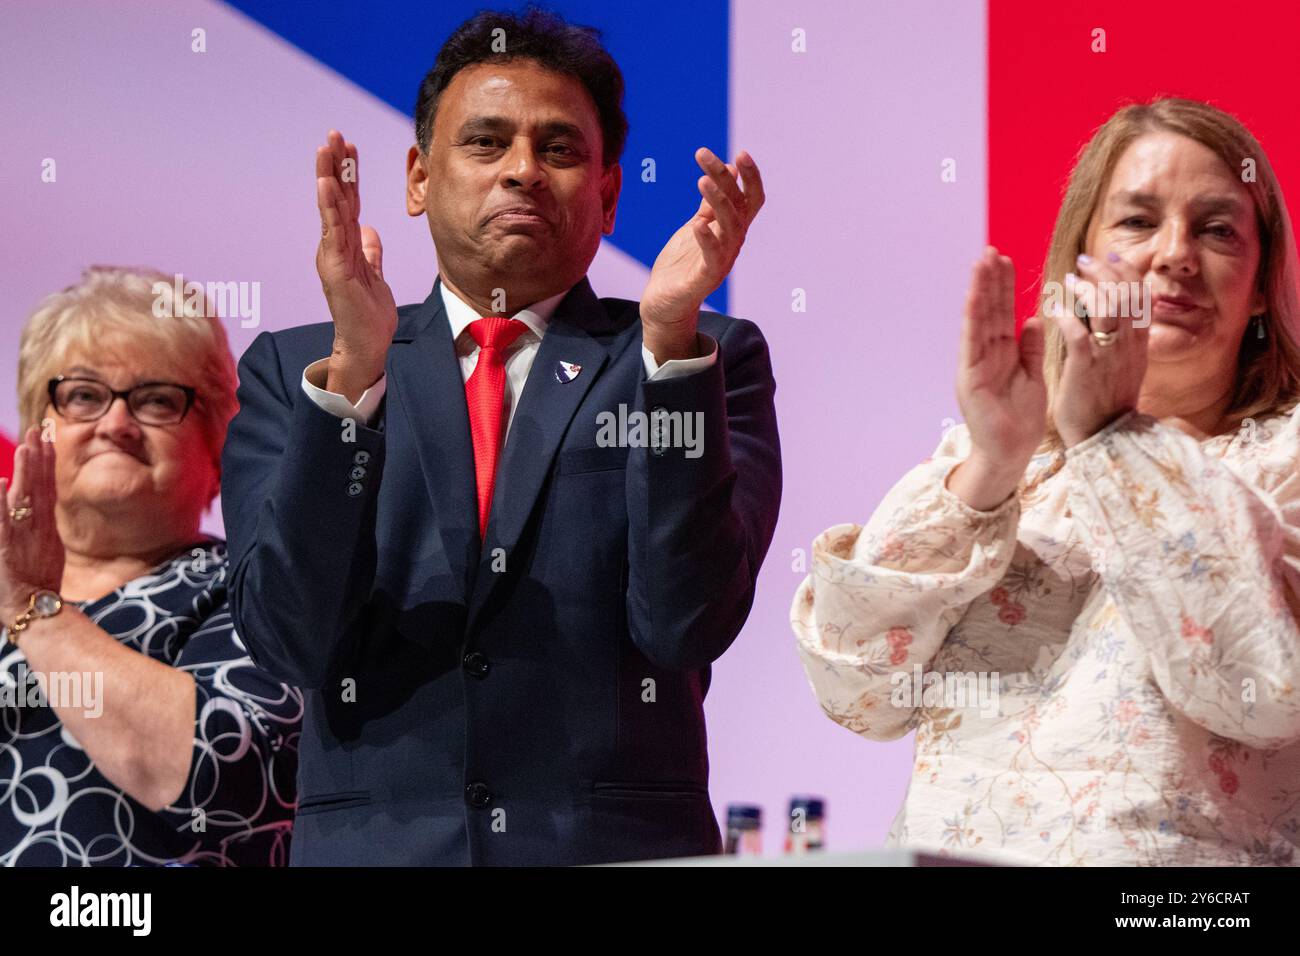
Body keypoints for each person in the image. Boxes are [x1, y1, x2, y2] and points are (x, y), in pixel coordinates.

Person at [222, 7, 780, 865]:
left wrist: (669, 348)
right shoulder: (299, 369)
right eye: (486, 143)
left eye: (559, 149)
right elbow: (289, 638)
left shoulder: (701, 357)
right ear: (417, 178)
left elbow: (684, 626)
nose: (523, 171)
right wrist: (354, 381)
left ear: (608, 193)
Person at [792, 97, 1300, 866]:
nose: (1175, 255)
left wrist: (1116, 443)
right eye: (1137, 221)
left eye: (1218, 229)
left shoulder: (1283, 457)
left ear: (1262, 283)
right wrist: (990, 466)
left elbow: (1261, 692)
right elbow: (856, 688)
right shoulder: (1008, 461)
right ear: (1080, 258)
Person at [1, 266, 302, 866]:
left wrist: (37, 612)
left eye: (157, 400)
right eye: (83, 395)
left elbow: (223, 780)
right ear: (42, 427)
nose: (115, 424)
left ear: (216, 442)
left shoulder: (253, 592)